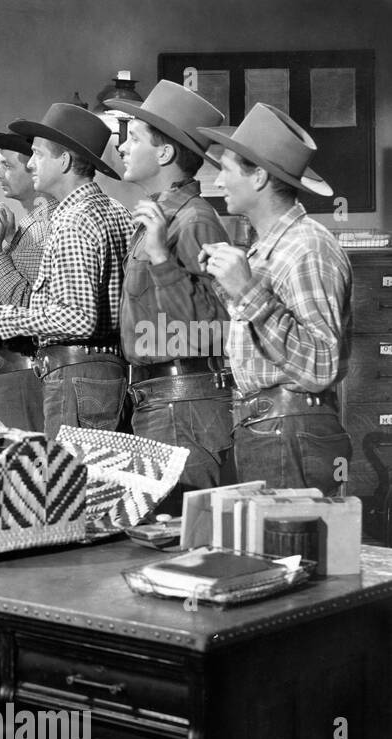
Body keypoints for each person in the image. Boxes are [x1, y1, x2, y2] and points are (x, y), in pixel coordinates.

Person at [0, 105, 133, 438]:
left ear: (64, 161)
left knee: (68, 484)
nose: (30, 162)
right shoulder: (114, 210)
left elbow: (78, 318)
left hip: (76, 374)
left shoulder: (73, 218)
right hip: (104, 371)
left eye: (36, 154)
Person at [198, 104, 352, 494]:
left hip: (290, 429)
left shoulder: (308, 247)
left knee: (292, 553)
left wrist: (248, 291)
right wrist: (227, 282)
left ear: (260, 176)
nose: (219, 181)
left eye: (227, 169)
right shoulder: (266, 248)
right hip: (268, 427)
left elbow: (321, 365)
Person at [113, 80, 234, 494]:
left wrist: (162, 258)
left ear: (164, 153)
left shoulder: (194, 221)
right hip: (158, 399)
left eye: (132, 138)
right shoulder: (157, 218)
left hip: (184, 403)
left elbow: (211, 326)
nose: (122, 148)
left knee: (188, 537)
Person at [0, 131, 58, 431]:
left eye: (7, 165)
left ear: (33, 166)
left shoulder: (46, 224)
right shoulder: (31, 222)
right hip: (21, 371)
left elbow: (28, 308)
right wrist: (10, 241)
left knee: (31, 466)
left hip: (28, 372)